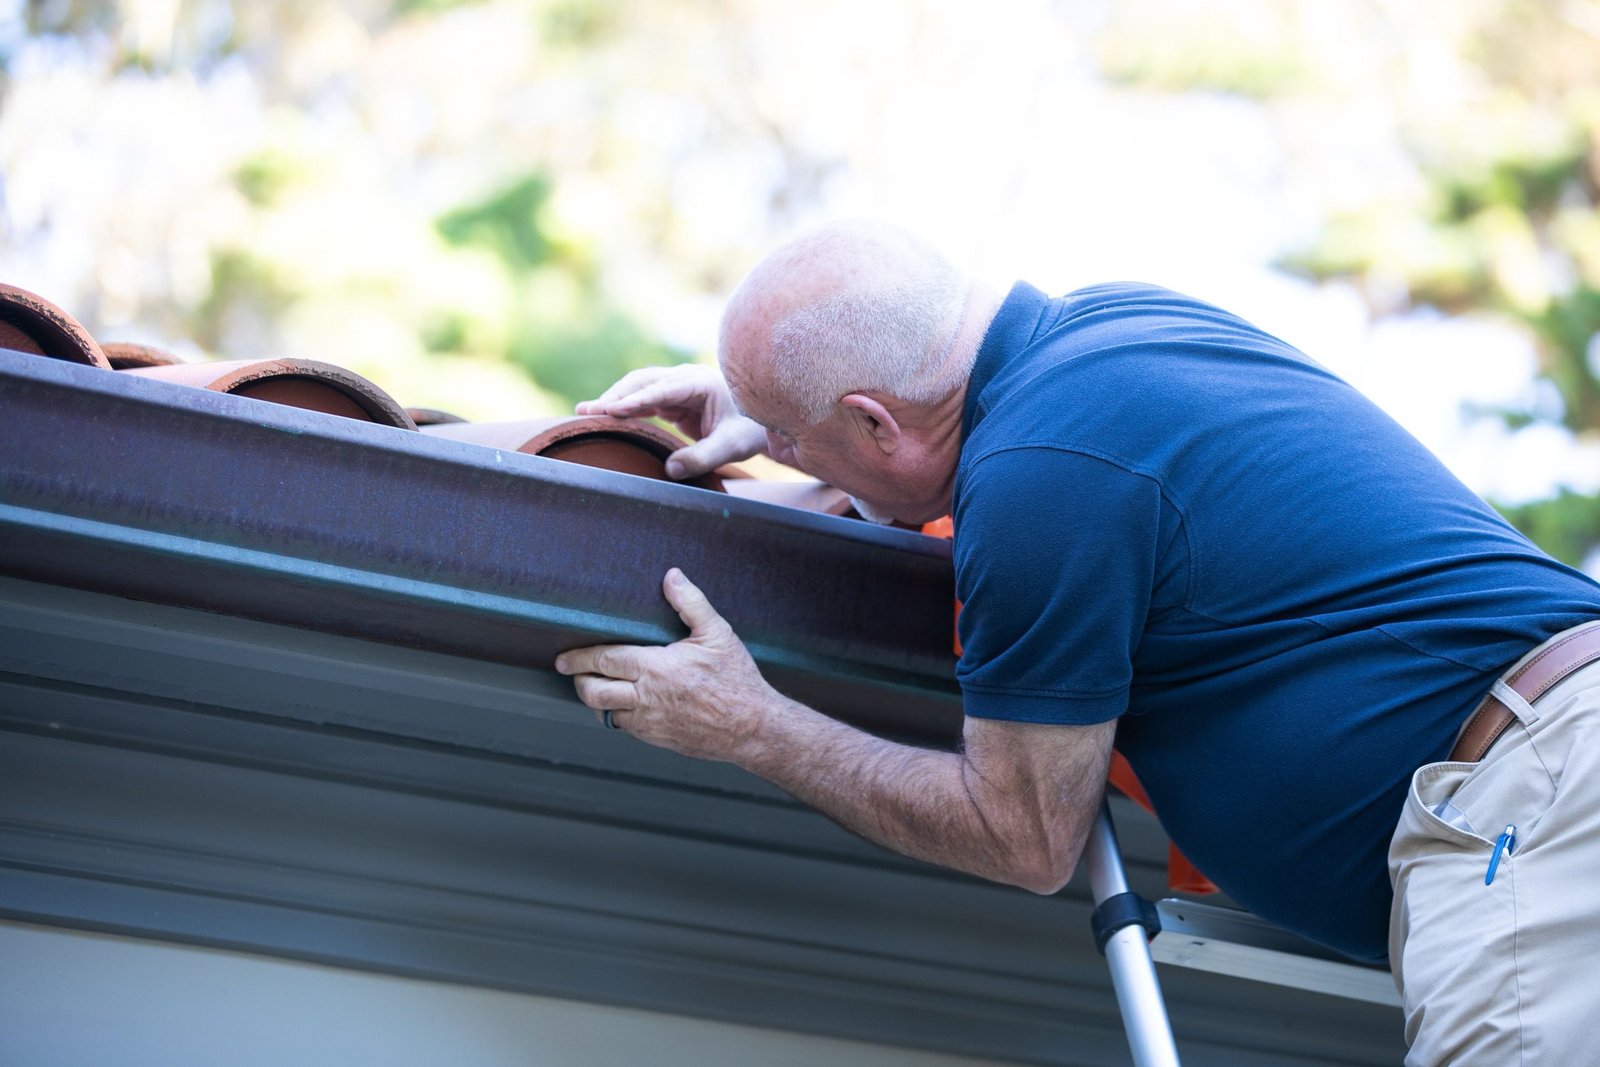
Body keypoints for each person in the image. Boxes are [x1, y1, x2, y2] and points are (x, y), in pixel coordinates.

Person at [552, 221, 1600, 1064]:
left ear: (876, 419)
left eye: (790, 436)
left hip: (1539, 801)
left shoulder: (1040, 476)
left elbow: (1020, 833)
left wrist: (752, 724)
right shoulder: (1115, 331)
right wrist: (778, 417)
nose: (771, 455)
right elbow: (945, 478)